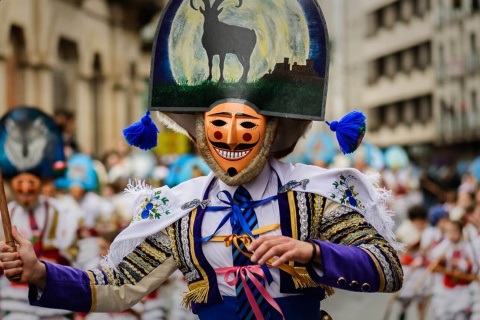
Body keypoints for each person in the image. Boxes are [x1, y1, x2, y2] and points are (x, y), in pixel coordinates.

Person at [0, 1, 403, 319]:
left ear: (273, 130)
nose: (230, 137)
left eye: (245, 124)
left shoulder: (312, 195)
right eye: (217, 124)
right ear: (198, 132)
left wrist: (312, 252)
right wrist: (40, 274)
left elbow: (387, 267)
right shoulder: (181, 209)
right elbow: (118, 284)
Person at [0, 107, 79, 319]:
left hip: (54, 303)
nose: (25, 188)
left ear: (41, 182)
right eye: (20, 183)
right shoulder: (3, 215)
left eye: (31, 182)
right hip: (14, 305)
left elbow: (77, 253)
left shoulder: (63, 211)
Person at [430, 219, 478, 320]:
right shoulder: (445, 245)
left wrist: (460, 264)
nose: (451, 234)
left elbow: (474, 267)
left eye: (454, 231)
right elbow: (434, 257)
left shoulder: (468, 246)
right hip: (446, 287)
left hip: (463, 288)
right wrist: (441, 259)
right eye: (448, 231)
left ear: (460, 232)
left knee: (460, 315)